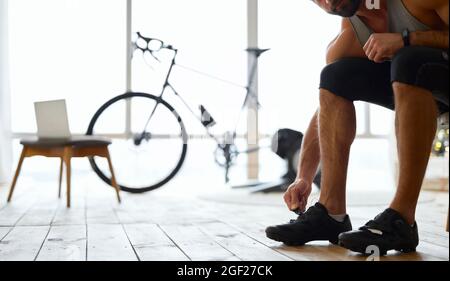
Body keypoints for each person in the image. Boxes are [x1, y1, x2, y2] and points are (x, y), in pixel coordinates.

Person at [266, 0, 449, 255]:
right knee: (335, 76)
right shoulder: (351, 36)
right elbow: (324, 110)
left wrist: (406, 39)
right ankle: (331, 213)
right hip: (424, 85)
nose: (327, 1)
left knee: (408, 59)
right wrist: (304, 177)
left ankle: (402, 220)